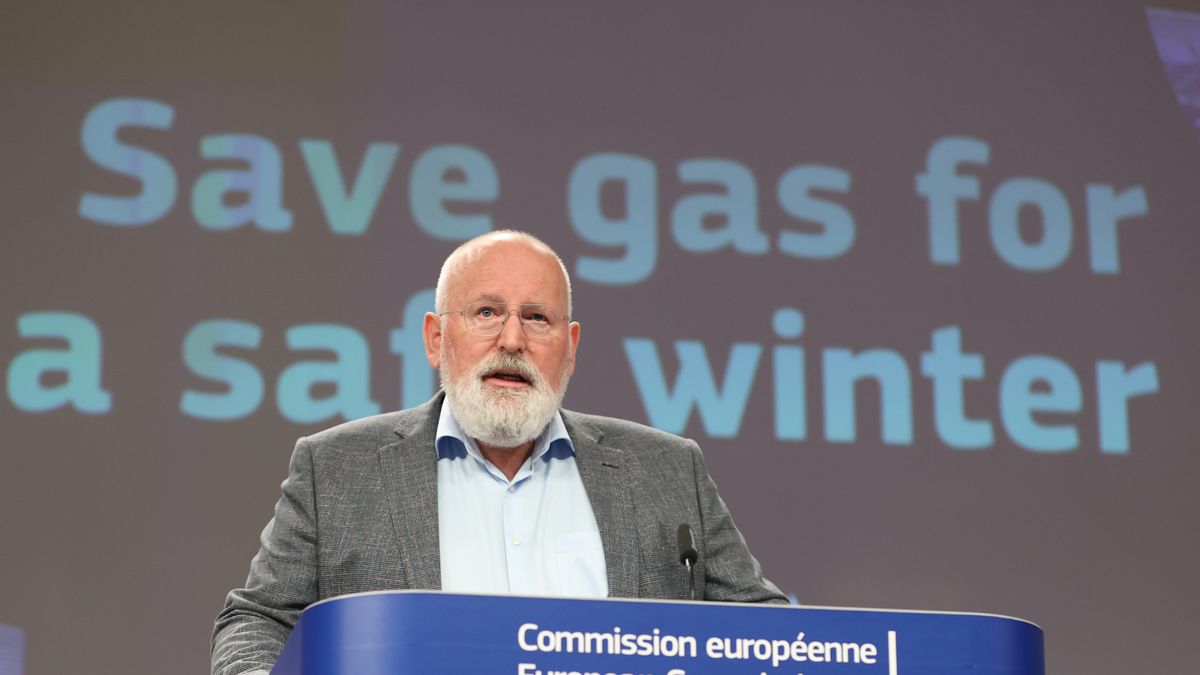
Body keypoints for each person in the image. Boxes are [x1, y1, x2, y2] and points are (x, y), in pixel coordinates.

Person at [211, 230, 785, 675]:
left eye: (537, 318)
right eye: (486, 313)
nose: (512, 340)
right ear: (436, 338)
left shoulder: (666, 469)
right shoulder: (336, 469)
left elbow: (770, 636)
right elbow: (258, 620)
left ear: (570, 348)